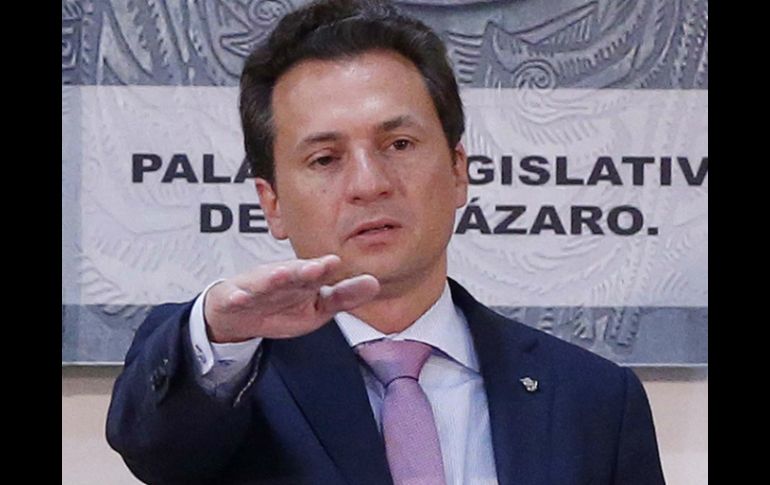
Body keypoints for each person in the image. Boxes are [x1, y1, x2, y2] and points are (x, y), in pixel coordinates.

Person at [106, 1, 666, 484]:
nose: (369, 183)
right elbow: (154, 445)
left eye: (399, 144)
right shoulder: (228, 378)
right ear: (271, 202)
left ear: (459, 170)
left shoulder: (594, 400)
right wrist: (223, 334)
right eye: (325, 159)